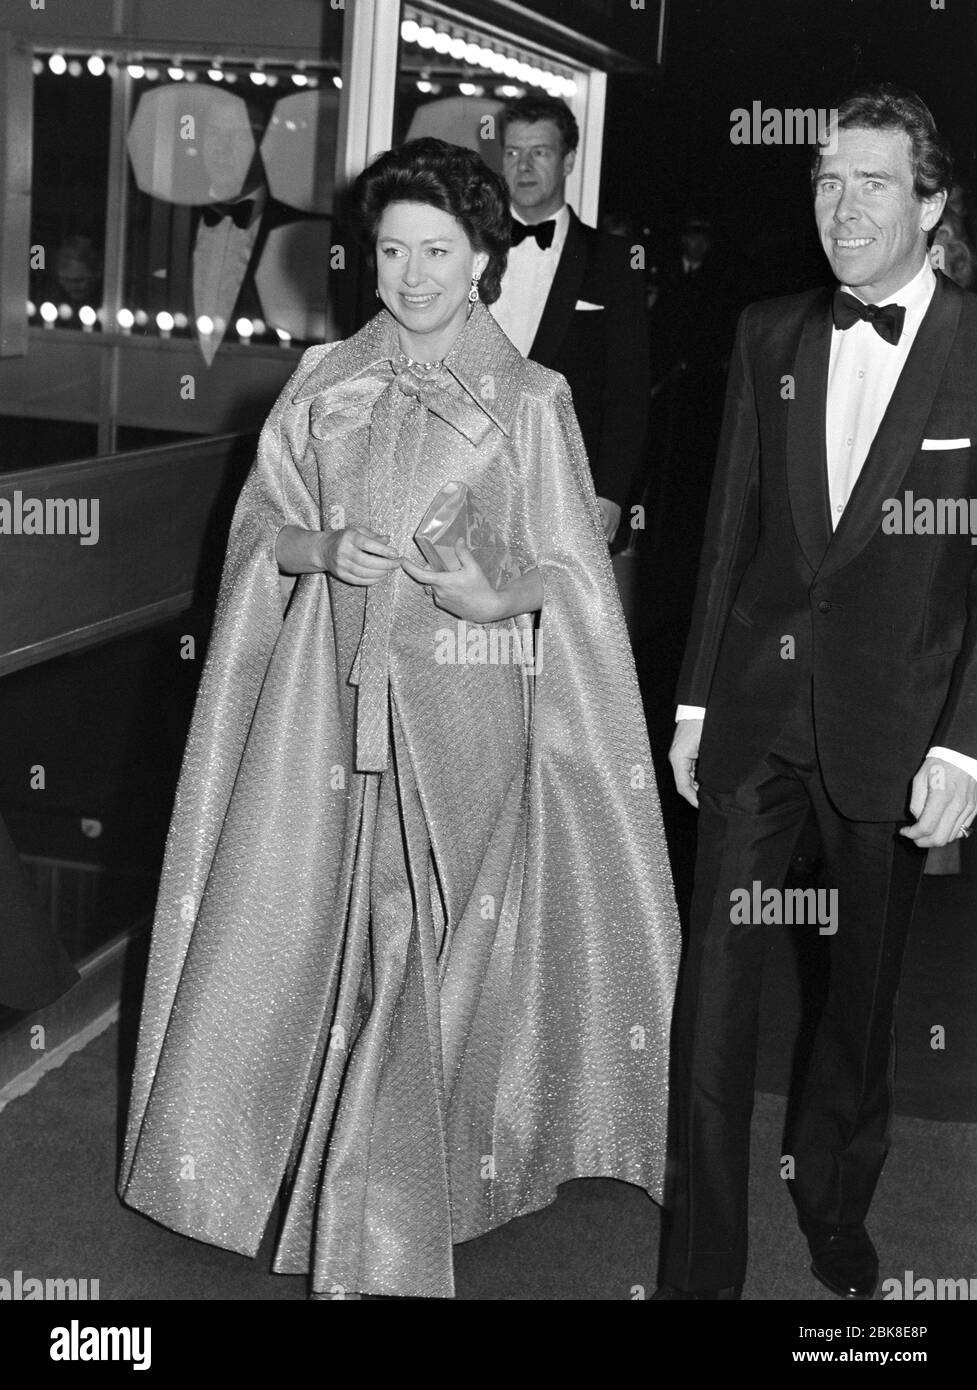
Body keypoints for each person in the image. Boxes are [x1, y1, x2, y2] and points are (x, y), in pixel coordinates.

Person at [118, 137, 680, 1301]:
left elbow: (569, 574)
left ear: (480, 258)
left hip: (466, 719)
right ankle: (313, 1176)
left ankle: (392, 1201)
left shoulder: (532, 401)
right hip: (321, 713)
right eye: (391, 250)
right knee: (324, 934)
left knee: (426, 944)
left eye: (437, 251)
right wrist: (322, 547)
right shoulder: (321, 380)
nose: (413, 275)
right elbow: (251, 540)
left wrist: (494, 591)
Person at [656, 85, 977, 1301]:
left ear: (930, 200)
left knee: (858, 1004)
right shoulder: (767, 332)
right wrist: (691, 706)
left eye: (872, 183)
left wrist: (961, 748)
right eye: (824, 182)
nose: (840, 208)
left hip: (895, 734)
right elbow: (727, 529)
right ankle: (700, 1273)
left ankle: (833, 1196)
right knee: (713, 1003)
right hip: (751, 718)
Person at [490, 94, 650, 544]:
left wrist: (612, 494)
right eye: (513, 152)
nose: (523, 166)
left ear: (569, 160)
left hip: (564, 486)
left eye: (539, 152)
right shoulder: (469, 252)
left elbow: (629, 389)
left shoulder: (614, 262)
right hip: (470, 475)